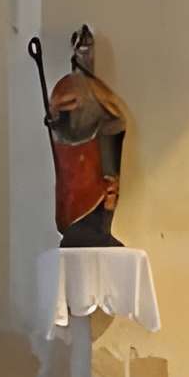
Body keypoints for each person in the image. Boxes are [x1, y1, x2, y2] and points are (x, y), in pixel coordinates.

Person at [42, 25, 130, 247]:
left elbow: (116, 122)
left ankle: (101, 228)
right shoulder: (68, 91)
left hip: (95, 162)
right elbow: (60, 124)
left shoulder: (95, 98)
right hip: (75, 186)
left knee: (105, 190)